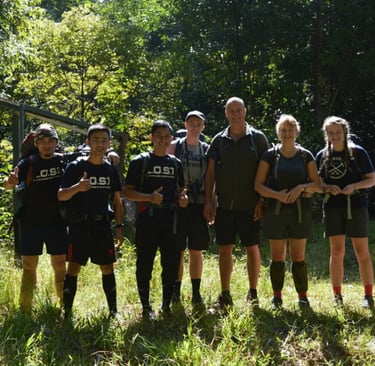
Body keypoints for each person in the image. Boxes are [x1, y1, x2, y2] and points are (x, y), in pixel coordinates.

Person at [204, 97, 268, 308]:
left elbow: (265, 174)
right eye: (231, 111)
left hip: (250, 206)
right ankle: (225, 294)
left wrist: (262, 201)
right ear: (226, 113)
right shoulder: (218, 140)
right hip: (224, 207)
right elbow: (210, 174)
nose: (235, 114)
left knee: (252, 248)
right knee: (225, 250)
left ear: (245, 111)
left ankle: (253, 293)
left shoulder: (257, 139)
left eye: (238, 110)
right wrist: (209, 201)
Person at [254, 114, 320, 310]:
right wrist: (277, 195)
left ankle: (302, 297)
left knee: (298, 257)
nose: (287, 133)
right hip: (276, 211)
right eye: (283, 130)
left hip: (300, 212)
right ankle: (277, 297)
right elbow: (258, 185)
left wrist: (301, 187)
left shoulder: (305, 155)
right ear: (278, 132)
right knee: (277, 257)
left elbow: (318, 185)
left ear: (296, 131)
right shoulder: (269, 155)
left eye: (290, 129)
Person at [124, 120, 188, 319]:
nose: (162, 140)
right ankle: (145, 307)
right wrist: (149, 198)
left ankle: (166, 305)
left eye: (166, 136)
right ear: (151, 138)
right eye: (158, 136)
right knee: (145, 263)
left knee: (170, 264)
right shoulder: (140, 161)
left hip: (171, 220)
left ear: (171, 139)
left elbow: (180, 192)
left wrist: (183, 200)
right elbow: (127, 192)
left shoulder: (176, 163)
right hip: (147, 220)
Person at [58, 124, 123, 318]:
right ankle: (66, 313)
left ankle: (114, 312)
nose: (100, 144)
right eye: (96, 140)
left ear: (109, 144)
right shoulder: (76, 167)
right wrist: (77, 187)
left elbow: (117, 201)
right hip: (80, 225)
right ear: (88, 142)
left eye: (104, 140)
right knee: (74, 267)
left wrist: (119, 227)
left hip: (102, 225)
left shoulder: (110, 170)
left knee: (107, 267)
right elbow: (61, 195)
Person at [3, 124, 67, 312]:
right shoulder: (28, 163)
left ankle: (65, 307)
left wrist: (111, 153)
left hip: (57, 222)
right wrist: (10, 182)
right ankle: (25, 309)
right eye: (42, 142)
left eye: (50, 141)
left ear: (56, 142)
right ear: (36, 144)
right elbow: (9, 182)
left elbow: (90, 153)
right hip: (31, 222)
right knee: (29, 266)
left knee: (60, 266)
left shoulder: (64, 161)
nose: (46, 145)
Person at [316, 116, 375, 309]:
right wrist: (327, 188)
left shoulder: (358, 153)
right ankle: (337, 296)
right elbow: (317, 184)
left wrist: (354, 186)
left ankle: (368, 295)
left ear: (344, 132)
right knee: (337, 251)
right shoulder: (323, 155)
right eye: (330, 133)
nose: (334, 136)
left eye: (337, 132)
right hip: (332, 207)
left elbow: (371, 179)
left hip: (356, 206)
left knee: (361, 251)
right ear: (327, 134)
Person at [167, 110, 210, 307]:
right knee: (177, 250)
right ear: (185, 125)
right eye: (191, 123)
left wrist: (212, 202)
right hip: (178, 206)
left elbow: (212, 179)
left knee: (196, 250)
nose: (194, 126)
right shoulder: (174, 146)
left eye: (198, 123)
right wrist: (176, 195)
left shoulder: (207, 150)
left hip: (199, 205)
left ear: (203, 127)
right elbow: (167, 173)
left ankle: (196, 292)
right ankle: (175, 291)